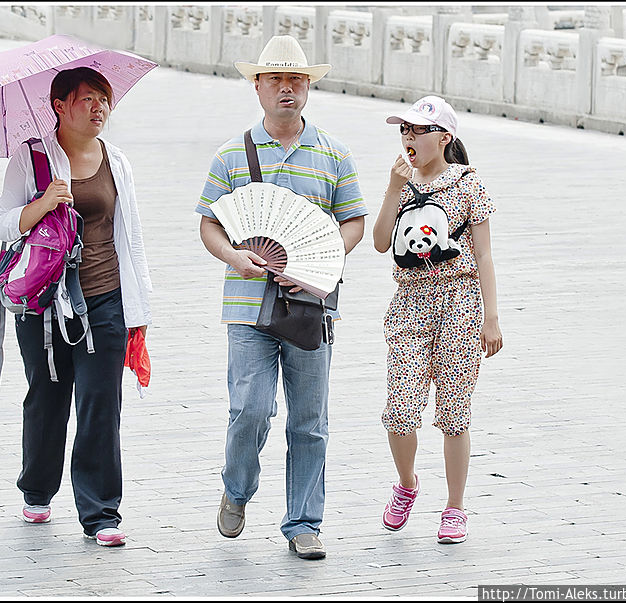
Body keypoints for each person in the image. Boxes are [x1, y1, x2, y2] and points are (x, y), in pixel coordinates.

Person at [195, 35, 368, 560]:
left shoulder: (333, 153)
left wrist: (318, 265)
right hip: (247, 305)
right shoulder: (231, 154)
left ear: (309, 86)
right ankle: (237, 488)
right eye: (275, 80)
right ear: (258, 87)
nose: (286, 89)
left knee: (309, 419)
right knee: (250, 408)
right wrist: (236, 258)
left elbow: (354, 222)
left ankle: (303, 523)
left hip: (312, 306)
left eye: (296, 80)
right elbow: (209, 226)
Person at [0, 67, 153, 547]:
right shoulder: (32, 158)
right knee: (47, 397)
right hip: (42, 304)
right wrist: (42, 203)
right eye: (87, 99)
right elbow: (2, 225)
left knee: (101, 402)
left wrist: (138, 310)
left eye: (104, 99)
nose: (99, 107)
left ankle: (101, 513)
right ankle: (37, 490)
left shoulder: (116, 160)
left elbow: (133, 237)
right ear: (59, 105)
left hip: (104, 299)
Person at [371, 95, 503, 544]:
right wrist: (392, 188)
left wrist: (492, 317)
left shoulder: (468, 184)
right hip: (410, 301)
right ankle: (407, 483)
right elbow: (380, 242)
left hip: (460, 301)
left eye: (418, 130)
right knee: (401, 410)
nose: (408, 137)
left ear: (444, 137)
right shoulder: (402, 183)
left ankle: (454, 507)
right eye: (403, 130)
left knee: (454, 412)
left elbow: (483, 253)